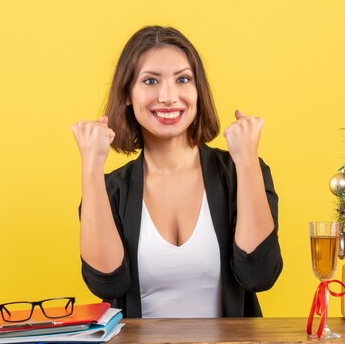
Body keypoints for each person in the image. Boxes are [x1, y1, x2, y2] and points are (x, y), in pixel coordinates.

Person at [71, 26, 282, 318]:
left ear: (198, 91)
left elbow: (259, 275)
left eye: (183, 79)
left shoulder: (239, 173)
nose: (168, 97)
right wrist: (91, 167)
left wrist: (246, 160)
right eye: (150, 81)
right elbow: (107, 283)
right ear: (128, 95)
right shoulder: (111, 190)